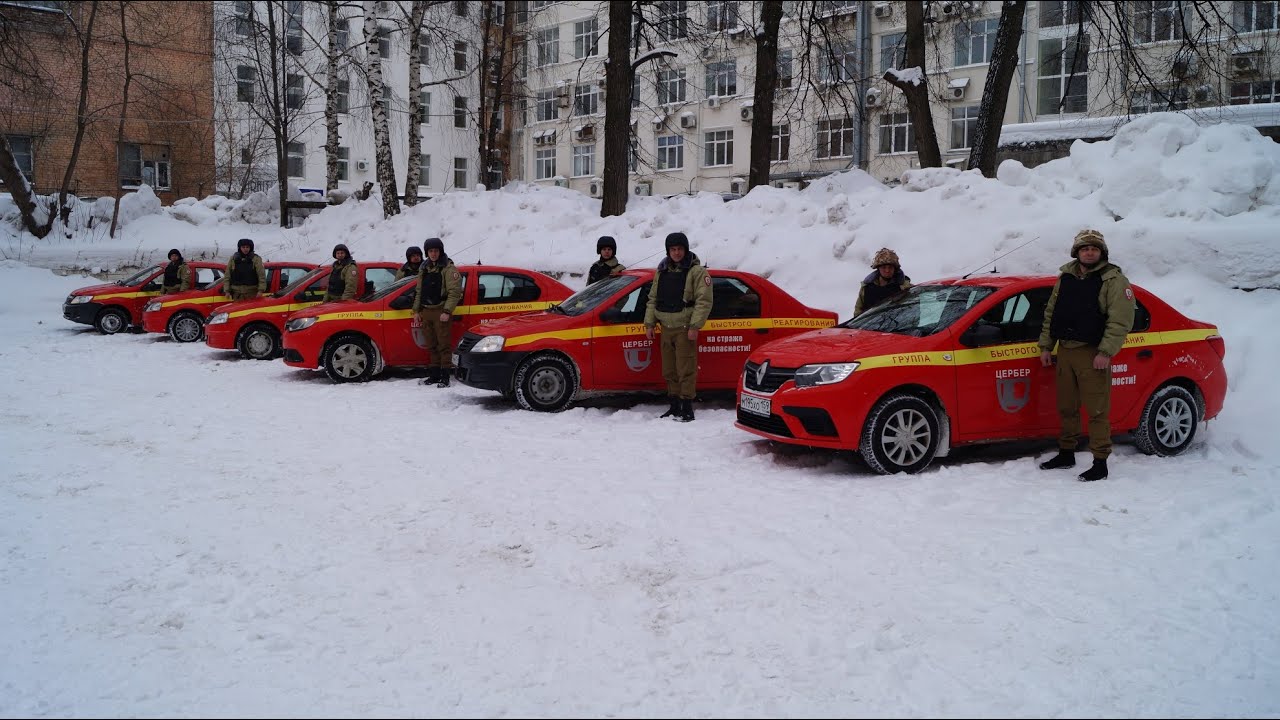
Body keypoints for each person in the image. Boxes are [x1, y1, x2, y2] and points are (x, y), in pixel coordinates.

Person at [1038, 229, 1135, 482]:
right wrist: (1046, 346)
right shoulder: (1066, 277)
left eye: (1094, 248)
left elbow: (1120, 321)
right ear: (1077, 252)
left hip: (1092, 353)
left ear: (1102, 252)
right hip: (1066, 351)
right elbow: (1052, 313)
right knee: (1067, 407)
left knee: (1097, 410)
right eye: (1084, 248)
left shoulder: (1113, 280)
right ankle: (1066, 452)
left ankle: (1100, 462)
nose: (1089, 252)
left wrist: (1105, 352)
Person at [644, 231, 713, 422]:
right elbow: (652, 299)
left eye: (679, 249)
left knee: (685, 369)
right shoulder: (662, 270)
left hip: (684, 328)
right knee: (669, 370)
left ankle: (687, 407)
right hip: (665, 327)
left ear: (685, 249)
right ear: (668, 251)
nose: (676, 253)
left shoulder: (696, 272)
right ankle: (674, 405)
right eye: (672, 249)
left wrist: (694, 326)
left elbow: (704, 301)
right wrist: (649, 323)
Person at [412, 237, 463, 387]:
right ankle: (434, 375)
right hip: (426, 311)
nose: (433, 254)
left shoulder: (448, 268)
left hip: (441, 311)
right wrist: (416, 310)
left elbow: (455, 292)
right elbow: (419, 290)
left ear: (440, 251)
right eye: (430, 251)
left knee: (444, 345)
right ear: (427, 252)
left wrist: (447, 311)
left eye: (436, 251)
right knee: (431, 345)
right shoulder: (424, 268)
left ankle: (445, 377)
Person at [854, 248, 912, 316]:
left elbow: (911, 312)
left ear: (895, 269)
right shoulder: (866, 287)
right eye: (884, 267)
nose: (887, 271)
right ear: (878, 268)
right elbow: (858, 313)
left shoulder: (904, 287)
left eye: (890, 267)